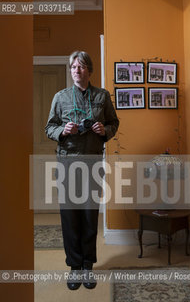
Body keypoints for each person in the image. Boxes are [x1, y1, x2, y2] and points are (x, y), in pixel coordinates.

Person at [45, 51, 119, 290]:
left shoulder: (102, 96)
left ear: (90, 70)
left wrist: (103, 130)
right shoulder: (60, 97)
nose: (77, 70)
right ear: (71, 71)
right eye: (74, 67)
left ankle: (88, 265)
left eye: (82, 66)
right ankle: (74, 267)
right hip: (67, 165)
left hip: (93, 164)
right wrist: (63, 130)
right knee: (70, 217)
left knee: (89, 216)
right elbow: (49, 128)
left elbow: (114, 123)